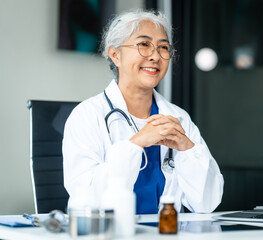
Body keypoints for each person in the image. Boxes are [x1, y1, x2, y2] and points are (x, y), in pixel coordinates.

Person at [62, 9, 224, 214]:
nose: (155, 56)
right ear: (115, 55)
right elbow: (86, 199)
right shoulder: (86, 116)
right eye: (144, 45)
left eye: (163, 48)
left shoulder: (179, 119)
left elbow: (207, 203)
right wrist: (136, 144)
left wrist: (188, 149)